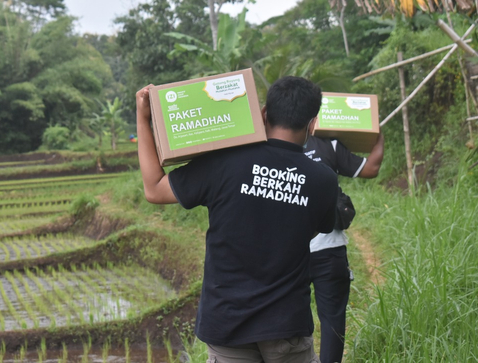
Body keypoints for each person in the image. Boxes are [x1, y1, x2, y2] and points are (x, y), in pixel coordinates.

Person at [136, 76, 339, 363]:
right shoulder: (324, 180)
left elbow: (154, 189)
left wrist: (144, 118)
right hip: (287, 326)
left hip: (227, 324)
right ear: (312, 123)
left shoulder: (224, 162)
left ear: (265, 113)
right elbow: (322, 226)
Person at [303, 133, 384, 363]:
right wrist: (376, 133)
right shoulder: (329, 146)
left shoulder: (270, 146)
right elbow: (372, 167)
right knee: (332, 323)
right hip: (330, 250)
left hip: (287, 251)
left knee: (288, 323)